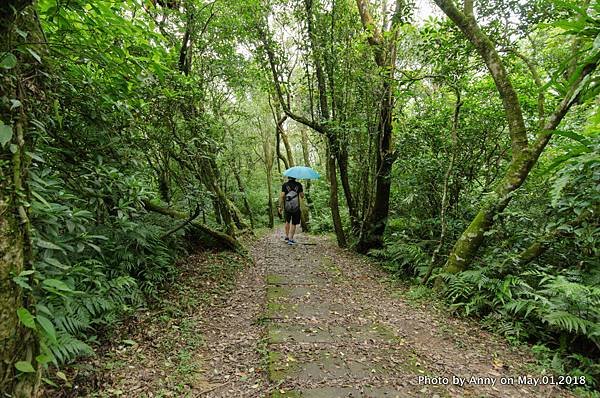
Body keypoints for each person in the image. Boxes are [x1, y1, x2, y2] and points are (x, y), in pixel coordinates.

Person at [278, 177, 304, 245]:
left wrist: (280, 206)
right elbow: (302, 196)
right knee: (294, 223)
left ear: (288, 177)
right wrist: (301, 190)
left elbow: (282, 196)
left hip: (287, 207)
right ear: (295, 177)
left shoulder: (285, 185)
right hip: (296, 207)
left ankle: (286, 236)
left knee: (287, 221)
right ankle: (291, 238)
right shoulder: (299, 185)